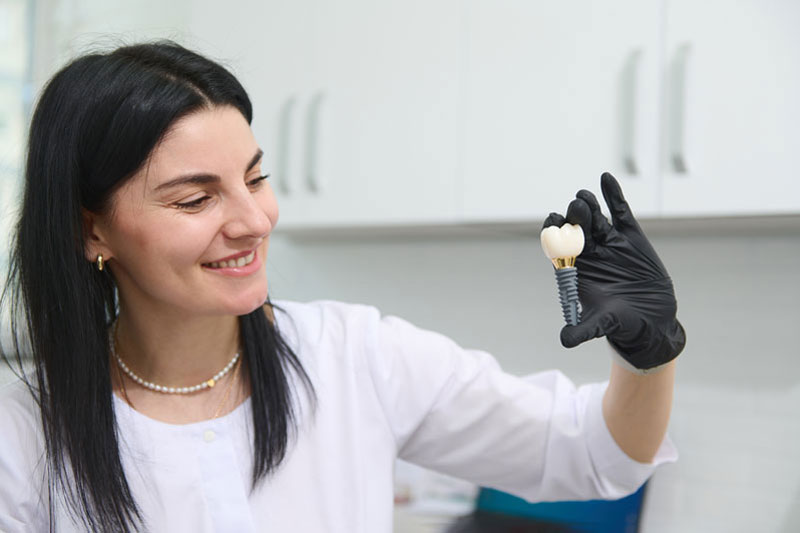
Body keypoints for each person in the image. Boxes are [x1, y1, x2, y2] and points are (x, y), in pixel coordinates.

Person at [0, 41, 685, 533]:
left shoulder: (354, 354)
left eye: (256, 178)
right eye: (194, 200)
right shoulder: (23, 431)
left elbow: (595, 455)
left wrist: (647, 356)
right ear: (93, 231)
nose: (253, 219)